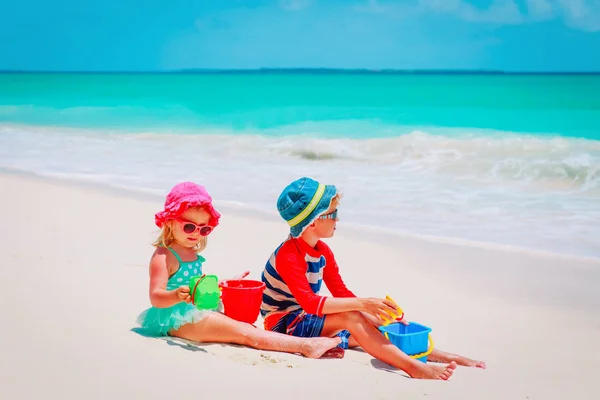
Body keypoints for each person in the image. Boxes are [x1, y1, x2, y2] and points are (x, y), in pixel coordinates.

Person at [260, 177, 487, 380]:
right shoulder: (288, 255)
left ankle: (438, 356)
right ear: (313, 222)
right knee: (352, 318)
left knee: (373, 324)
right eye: (333, 214)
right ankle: (413, 368)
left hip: (304, 317)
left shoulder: (323, 251)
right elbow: (310, 302)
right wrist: (363, 304)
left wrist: (377, 312)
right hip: (283, 324)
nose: (337, 220)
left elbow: (340, 292)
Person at [136, 181, 342, 359]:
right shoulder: (164, 255)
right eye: (189, 227)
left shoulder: (191, 252)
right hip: (175, 318)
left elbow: (194, 285)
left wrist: (221, 285)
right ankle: (307, 346)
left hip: (193, 311)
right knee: (244, 333)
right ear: (170, 222)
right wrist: (176, 295)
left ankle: (306, 343)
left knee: (244, 326)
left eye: (204, 228)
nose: (196, 233)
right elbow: (156, 297)